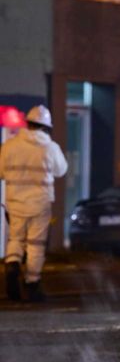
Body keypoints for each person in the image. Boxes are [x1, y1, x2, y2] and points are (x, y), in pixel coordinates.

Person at [0, 105, 68, 302]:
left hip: (15, 202)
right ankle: (32, 284)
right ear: (46, 127)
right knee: (35, 245)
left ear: (27, 124)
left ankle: (12, 263)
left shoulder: (9, 146)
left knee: (16, 239)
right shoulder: (50, 147)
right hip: (40, 204)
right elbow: (61, 170)